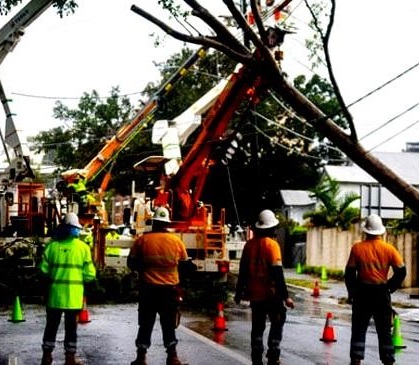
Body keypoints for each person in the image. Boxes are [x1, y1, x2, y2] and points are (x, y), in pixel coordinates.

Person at [127, 206, 189, 365]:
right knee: (169, 324)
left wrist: (144, 269)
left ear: (153, 222)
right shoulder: (177, 242)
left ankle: (141, 357)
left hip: (148, 289)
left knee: (145, 324)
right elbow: (184, 266)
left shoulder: (142, 240)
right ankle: (172, 357)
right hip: (169, 290)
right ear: (167, 223)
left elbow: (131, 263)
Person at [345, 214, 406, 365]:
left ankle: (356, 359)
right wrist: (390, 288)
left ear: (366, 231)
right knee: (384, 330)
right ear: (381, 231)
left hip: (362, 293)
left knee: (359, 328)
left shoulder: (357, 249)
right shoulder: (389, 249)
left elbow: (350, 273)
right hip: (381, 293)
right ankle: (388, 360)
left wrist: (352, 293)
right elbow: (401, 271)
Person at [234, 209, 294, 365]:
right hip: (271, 295)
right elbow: (277, 274)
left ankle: (256, 357)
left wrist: (238, 293)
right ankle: (273, 355)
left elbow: (243, 272)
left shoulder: (248, 245)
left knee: (258, 326)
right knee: (278, 320)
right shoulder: (272, 246)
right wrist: (285, 296)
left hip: (255, 294)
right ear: (272, 228)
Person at [39, 212, 97, 365]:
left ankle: (46, 356)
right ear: (76, 229)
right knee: (71, 328)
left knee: (51, 326)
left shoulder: (52, 247)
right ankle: (70, 359)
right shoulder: (83, 248)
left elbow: (43, 270)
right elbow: (90, 275)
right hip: (73, 297)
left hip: (55, 296)